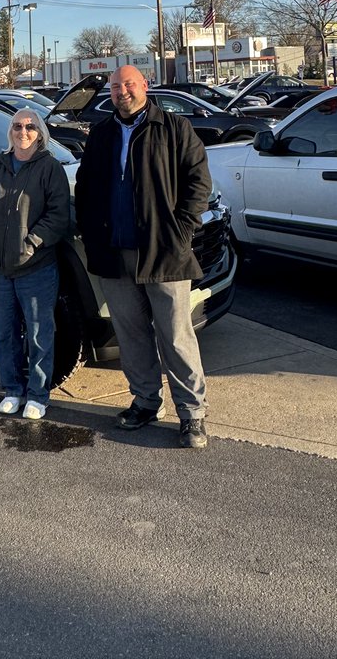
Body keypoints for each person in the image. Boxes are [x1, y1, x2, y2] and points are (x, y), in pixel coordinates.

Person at [74, 65, 212, 448]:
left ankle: (192, 413)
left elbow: (198, 179)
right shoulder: (101, 134)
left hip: (164, 252)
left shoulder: (172, 128)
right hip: (114, 253)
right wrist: (89, 230)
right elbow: (85, 187)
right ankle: (146, 401)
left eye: (128, 84)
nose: (122, 92)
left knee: (175, 335)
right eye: (116, 87)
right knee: (131, 335)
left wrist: (182, 230)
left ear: (144, 86)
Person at [0, 107, 71, 420]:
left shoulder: (50, 168)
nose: (22, 132)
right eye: (17, 126)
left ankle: (38, 395)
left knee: (40, 334)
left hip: (36, 268)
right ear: (10, 131)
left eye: (30, 127)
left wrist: (31, 244)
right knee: (5, 333)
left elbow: (58, 216)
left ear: (40, 133)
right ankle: (12, 389)